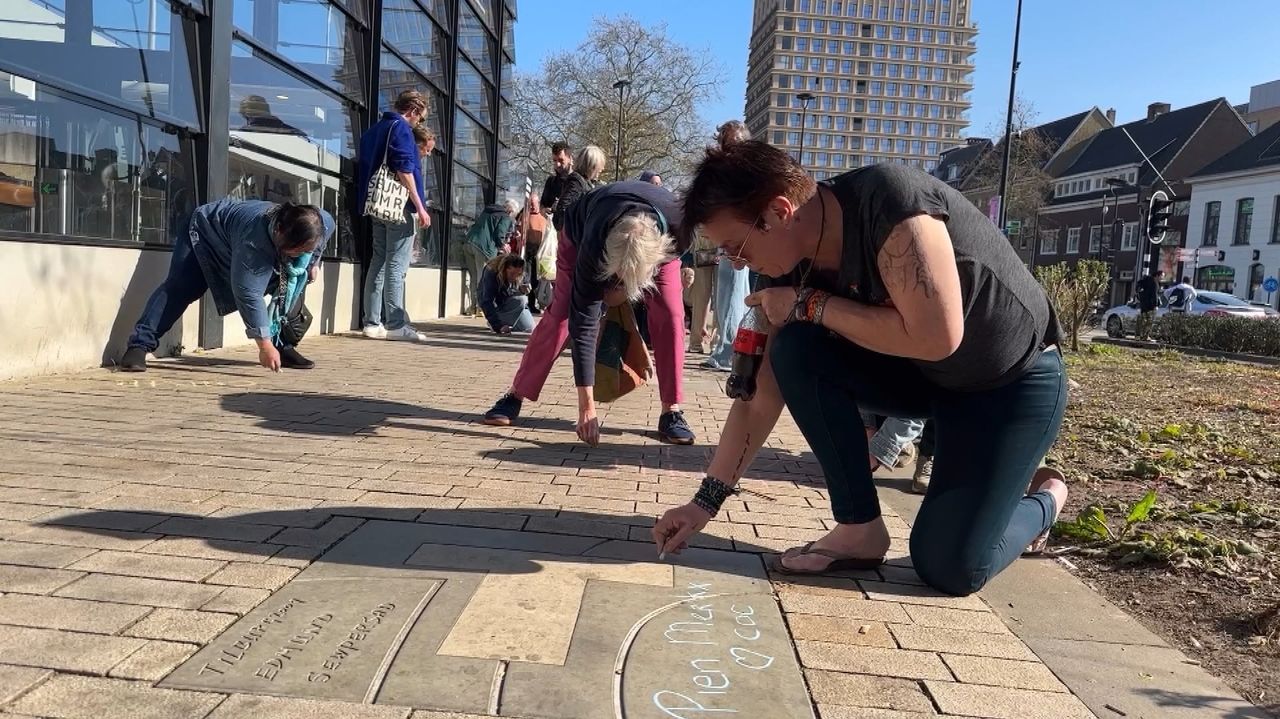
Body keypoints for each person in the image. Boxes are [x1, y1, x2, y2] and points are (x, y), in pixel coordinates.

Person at [652, 137, 1068, 597]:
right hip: (926, 380)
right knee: (793, 348)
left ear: (778, 212)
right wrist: (703, 504)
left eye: (736, 245)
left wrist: (810, 303)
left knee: (950, 567)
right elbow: (759, 397)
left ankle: (1046, 499)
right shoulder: (787, 264)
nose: (736, 261)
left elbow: (937, 336)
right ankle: (860, 529)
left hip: (1008, 385)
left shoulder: (890, 203)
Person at [481, 180, 697, 446]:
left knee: (671, 314)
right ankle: (515, 394)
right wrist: (587, 407)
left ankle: (672, 410)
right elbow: (583, 323)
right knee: (562, 313)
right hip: (582, 232)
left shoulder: (681, 230)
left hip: (658, 242)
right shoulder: (594, 242)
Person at [119, 200, 334, 373]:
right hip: (205, 234)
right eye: (296, 250)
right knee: (182, 287)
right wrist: (263, 345)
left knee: (292, 281)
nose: (299, 254)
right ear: (279, 230)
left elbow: (322, 237)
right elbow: (249, 294)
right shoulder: (255, 240)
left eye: (305, 249)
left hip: (238, 242)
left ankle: (283, 345)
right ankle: (139, 345)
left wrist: (312, 261)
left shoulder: (320, 222)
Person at [357, 90, 431, 342]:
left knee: (378, 261)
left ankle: (372, 321)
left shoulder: (376, 129)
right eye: (419, 119)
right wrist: (419, 205)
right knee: (396, 265)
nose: (418, 124)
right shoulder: (401, 129)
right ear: (412, 111)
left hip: (377, 204)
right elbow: (403, 168)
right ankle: (396, 324)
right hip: (399, 206)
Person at [702, 121, 754, 372]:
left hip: (738, 240)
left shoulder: (738, 170)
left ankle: (728, 352)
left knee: (731, 296)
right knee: (731, 296)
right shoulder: (739, 168)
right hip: (732, 239)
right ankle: (731, 349)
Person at [462, 199, 520, 314]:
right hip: (483, 248)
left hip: (469, 242)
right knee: (483, 278)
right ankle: (480, 307)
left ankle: (472, 306)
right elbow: (500, 234)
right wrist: (504, 246)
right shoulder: (505, 217)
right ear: (511, 211)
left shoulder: (489, 211)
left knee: (474, 277)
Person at [479, 255, 535, 335]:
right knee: (521, 300)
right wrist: (498, 326)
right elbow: (486, 301)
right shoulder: (491, 272)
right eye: (512, 274)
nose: (515, 277)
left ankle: (505, 323)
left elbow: (517, 290)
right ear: (504, 269)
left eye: (518, 274)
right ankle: (496, 322)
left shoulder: (522, 273)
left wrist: (522, 289)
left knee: (530, 327)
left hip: (509, 303)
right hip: (496, 306)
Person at [1135, 269, 1163, 341]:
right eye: (1161, 276)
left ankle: (1138, 336)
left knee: (1142, 321)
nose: (1162, 278)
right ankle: (1145, 336)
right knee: (1149, 321)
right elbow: (1154, 295)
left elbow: (1139, 289)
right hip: (1150, 306)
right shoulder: (1154, 283)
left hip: (1143, 304)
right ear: (1157, 276)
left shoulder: (1146, 280)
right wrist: (1155, 305)